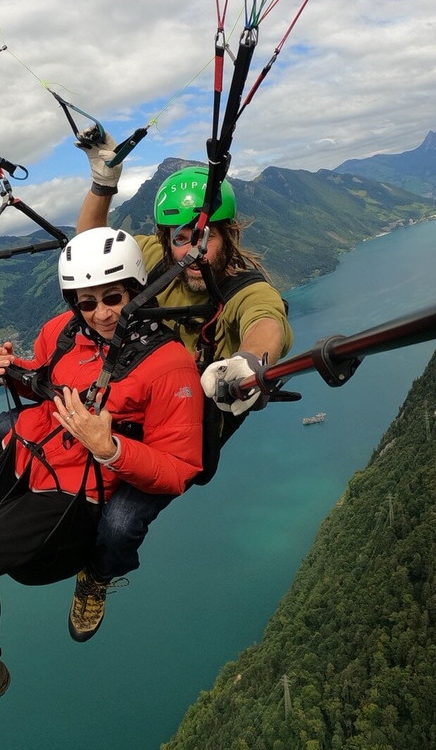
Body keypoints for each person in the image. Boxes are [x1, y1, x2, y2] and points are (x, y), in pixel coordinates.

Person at [0, 227, 204, 742]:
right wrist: (8, 370)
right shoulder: (63, 332)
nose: (100, 313)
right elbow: (44, 383)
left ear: (137, 289)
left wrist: (110, 448)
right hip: (25, 454)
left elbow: (180, 466)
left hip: (74, 492)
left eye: (113, 297)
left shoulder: (168, 365)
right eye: (86, 302)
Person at [64, 133, 294, 642]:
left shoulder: (243, 289)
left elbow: (265, 323)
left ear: (227, 236)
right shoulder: (158, 260)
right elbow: (90, 247)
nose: (192, 251)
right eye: (180, 239)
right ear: (166, 240)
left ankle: (97, 577)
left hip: (181, 434)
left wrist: (246, 365)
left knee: (120, 524)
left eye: (203, 237)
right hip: (129, 407)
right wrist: (103, 181)